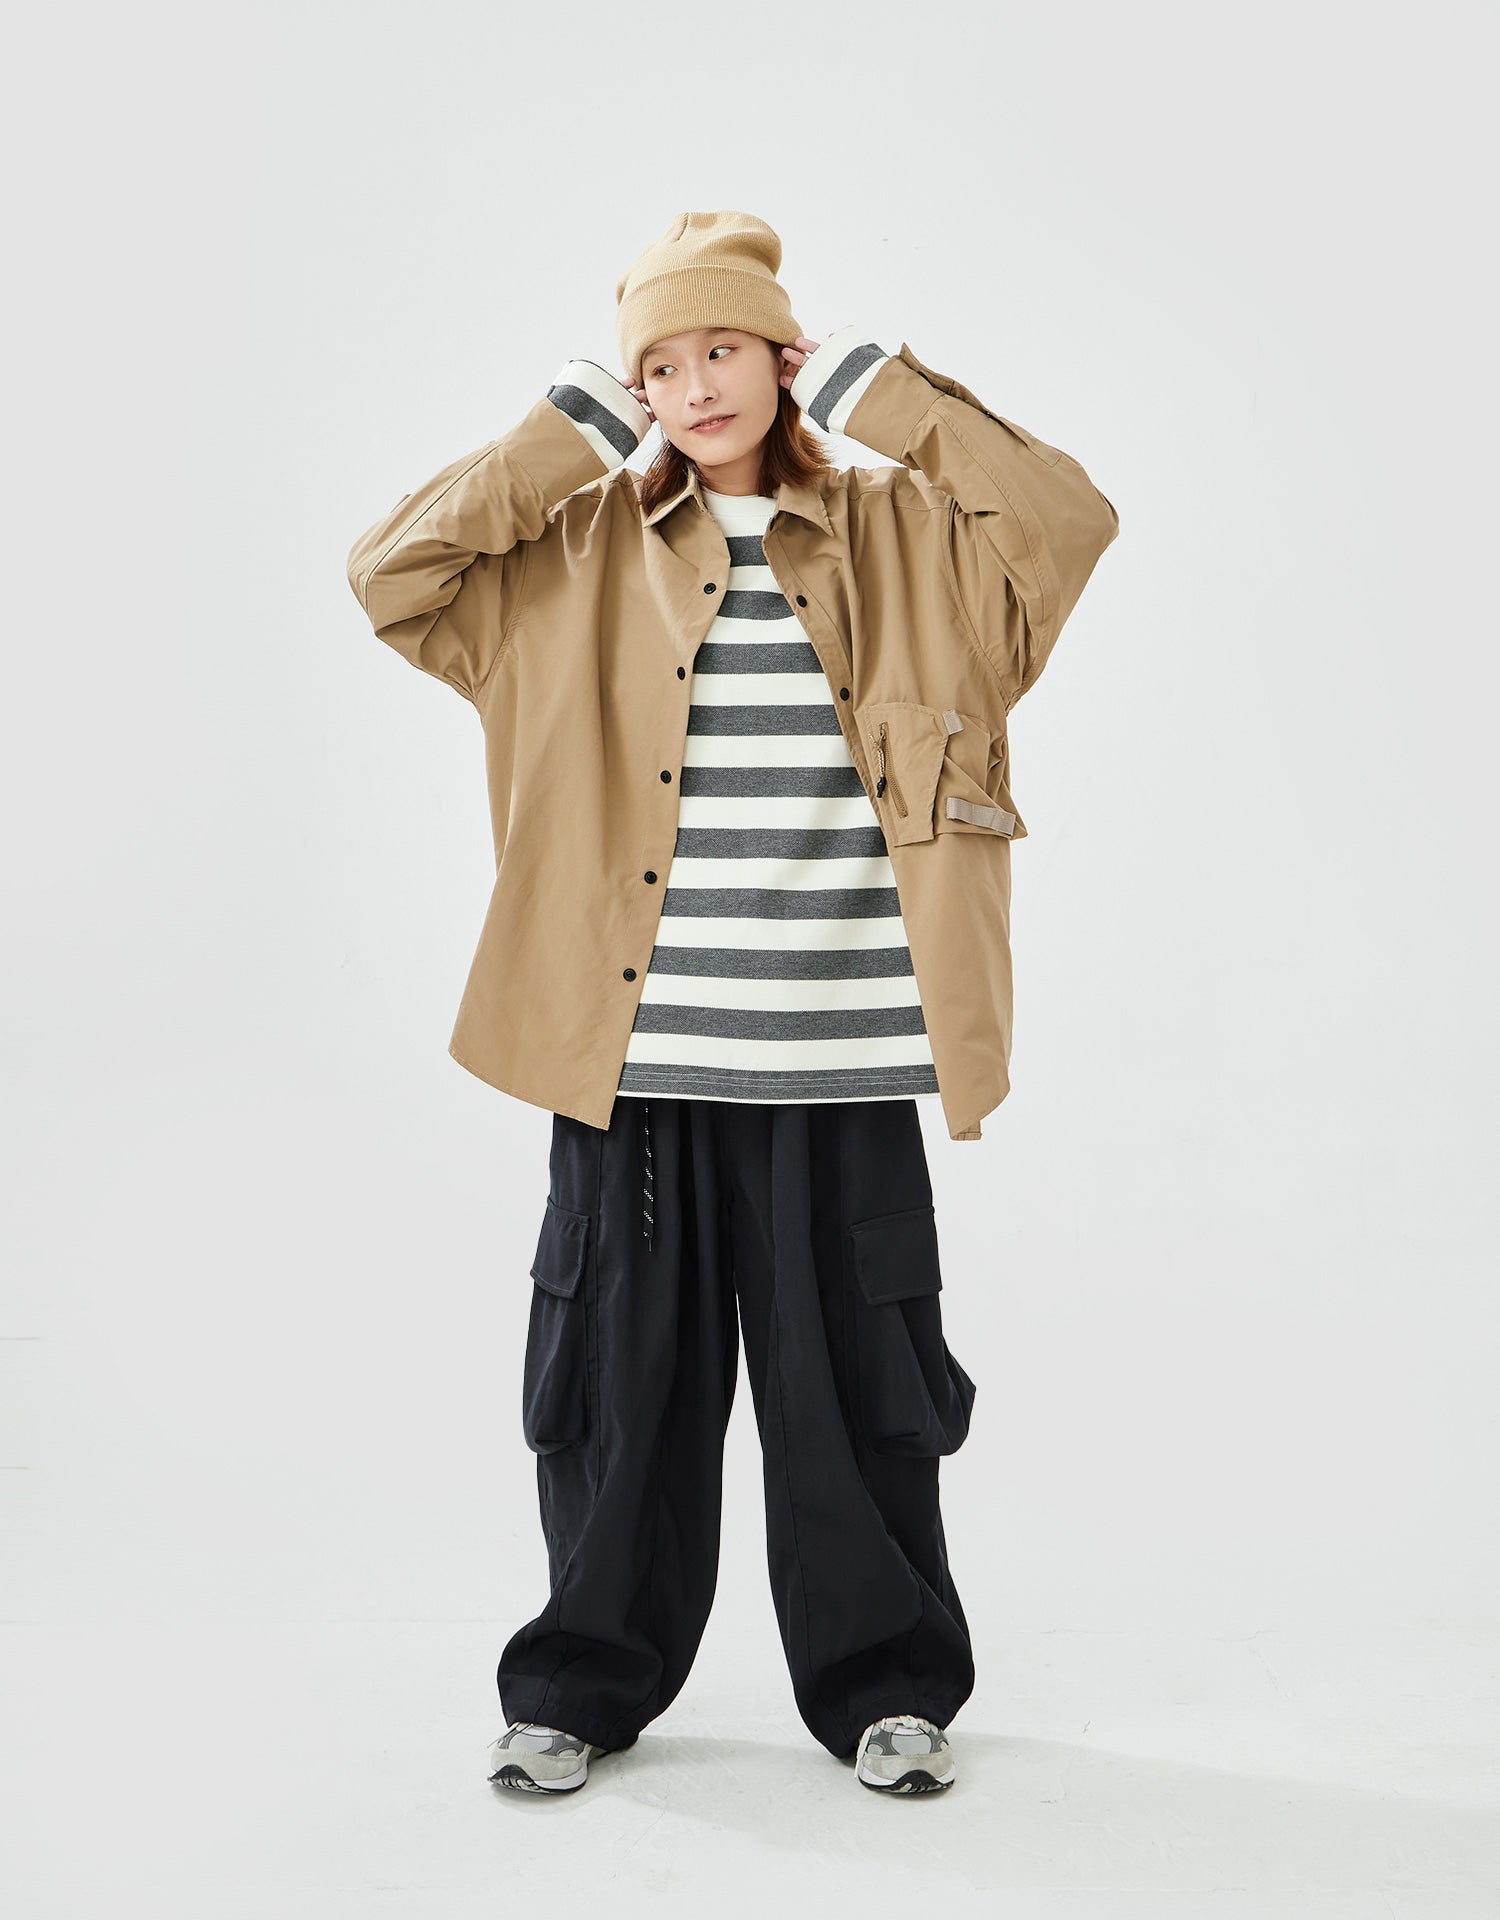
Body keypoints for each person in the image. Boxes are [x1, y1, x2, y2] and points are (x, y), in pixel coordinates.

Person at [345, 210, 1119, 1797]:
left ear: (783, 355)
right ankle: (579, 1687)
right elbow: (391, 574)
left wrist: (882, 391)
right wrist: (560, 434)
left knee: (862, 1403)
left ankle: (888, 1690)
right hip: (632, 1065)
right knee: (617, 1395)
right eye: (660, 366)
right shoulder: (570, 559)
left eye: (724, 349)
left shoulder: (916, 542)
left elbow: (1069, 519)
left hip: (845, 1058)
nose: (695, 387)